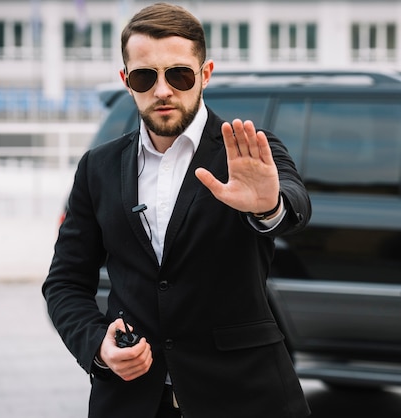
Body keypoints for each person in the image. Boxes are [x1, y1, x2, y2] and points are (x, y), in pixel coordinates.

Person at [42, 3, 312, 418]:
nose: (162, 90)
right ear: (126, 81)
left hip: (244, 396)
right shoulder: (98, 167)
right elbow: (64, 283)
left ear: (205, 74)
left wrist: (269, 208)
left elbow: (295, 202)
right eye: (145, 76)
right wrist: (98, 345)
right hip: (131, 401)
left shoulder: (250, 150)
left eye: (179, 74)